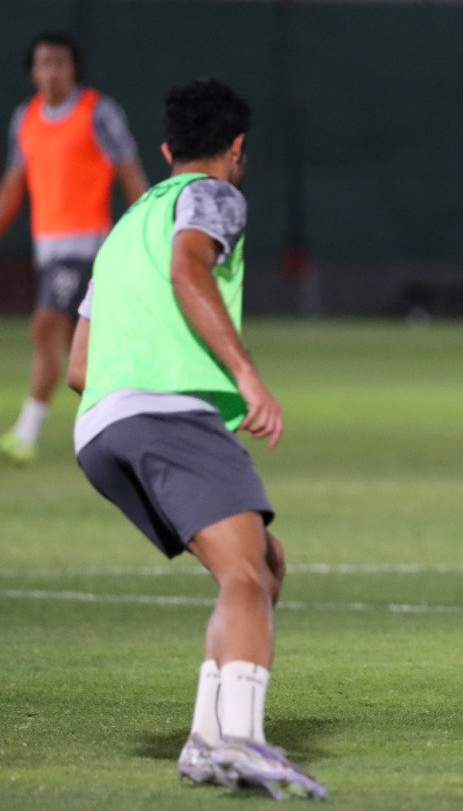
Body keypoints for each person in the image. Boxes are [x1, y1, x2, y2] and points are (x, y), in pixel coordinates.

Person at [66, 78, 326, 800]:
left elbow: (77, 368)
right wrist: (245, 376)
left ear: (165, 148)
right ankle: (239, 741)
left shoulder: (124, 229)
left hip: (100, 431)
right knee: (245, 575)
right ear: (236, 149)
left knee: (264, 564)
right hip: (164, 415)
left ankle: (206, 741)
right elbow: (190, 269)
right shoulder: (214, 198)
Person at [0, 31, 148, 464]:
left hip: (87, 246)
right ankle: (119, 424)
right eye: (44, 62)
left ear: (74, 68)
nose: (52, 71)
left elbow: (130, 173)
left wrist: (146, 232)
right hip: (47, 248)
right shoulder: (24, 119)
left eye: (61, 62)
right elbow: (13, 185)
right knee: (78, 352)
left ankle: (25, 434)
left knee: (44, 324)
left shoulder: (97, 112)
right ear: (32, 71)